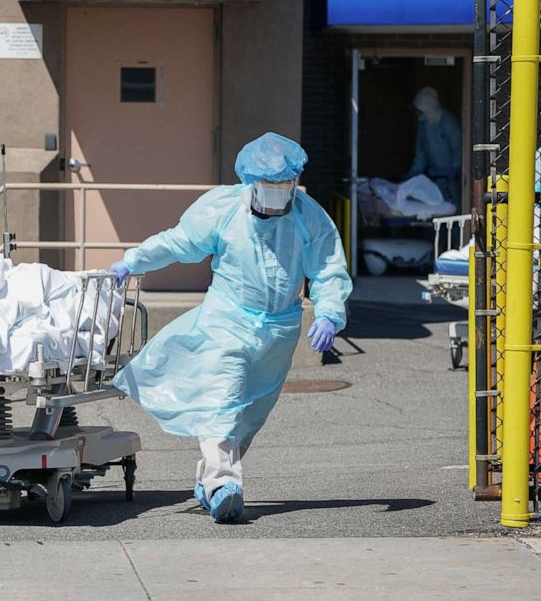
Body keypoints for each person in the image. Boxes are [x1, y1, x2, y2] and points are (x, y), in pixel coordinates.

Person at [109, 132, 352, 523]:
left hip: (280, 330)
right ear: (251, 182)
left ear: (294, 182)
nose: (278, 192)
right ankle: (225, 485)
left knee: (250, 415)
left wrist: (328, 312)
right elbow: (180, 242)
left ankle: (209, 481)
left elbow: (327, 268)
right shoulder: (223, 209)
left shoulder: (308, 215)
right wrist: (133, 261)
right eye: (270, 184)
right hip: (228, 320)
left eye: (285, 184)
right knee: (223, 400)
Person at [404, 86, 462, 206]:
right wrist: (413, 173)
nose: (418, 114)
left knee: (453, 206)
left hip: (451, 177)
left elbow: (458, 147)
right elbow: (421, 155)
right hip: (435, 176)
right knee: (437, 206)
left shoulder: (447, 121)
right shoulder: (423, 125)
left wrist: (454, 168)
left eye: (420, 110)